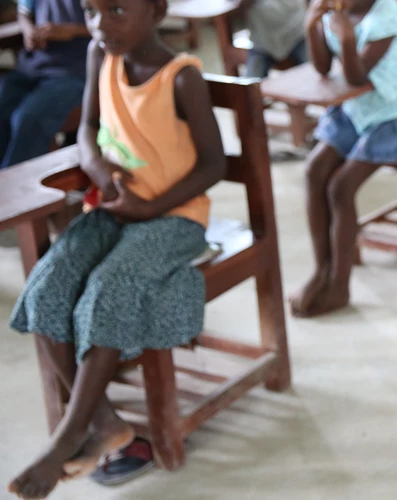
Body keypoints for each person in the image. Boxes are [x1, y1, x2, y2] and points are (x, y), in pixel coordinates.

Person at [5, 0, 228, 497]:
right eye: (90, 10)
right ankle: (103, 422)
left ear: (156, 11)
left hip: (174, 217)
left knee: (110, 285)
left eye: (118, 9)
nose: (101, 24)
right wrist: (102, 172)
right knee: (48, 284)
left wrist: (149, 210)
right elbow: (86, 129)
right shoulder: (97, 56)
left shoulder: (181, 76)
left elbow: (213, 165)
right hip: (110, 207)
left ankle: (67, 436)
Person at [290, 0, 397, 317]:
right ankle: (321, 270)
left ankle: (339, 285)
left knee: (340, 188)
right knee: (314, 171)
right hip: (357, 109)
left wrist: (346, 38)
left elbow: (356, 76)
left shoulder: (389, 15)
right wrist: (311, 27)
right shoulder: (336, 13)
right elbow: (321, 67)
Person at [0, 0, 89, 169]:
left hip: (76, 71)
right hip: (33, 66)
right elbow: (24, 11)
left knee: (28, 118)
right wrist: (29, 32)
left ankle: (17, 187)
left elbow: (118, 24)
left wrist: (73, 30)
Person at [235, 0, 309, 78]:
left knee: (314, 72)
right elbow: (237, 16)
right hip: (262, 43)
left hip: (296, 35)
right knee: (250, 82)